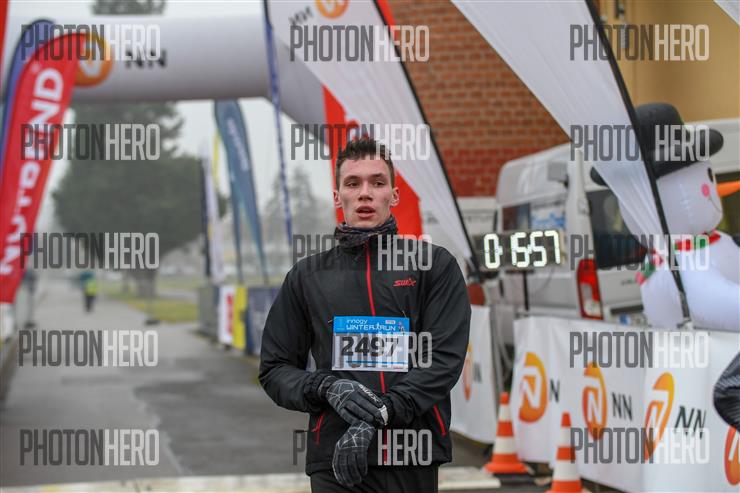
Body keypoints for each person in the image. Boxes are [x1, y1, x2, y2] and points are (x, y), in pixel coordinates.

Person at [259, 138, 471, 492]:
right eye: (353, 183)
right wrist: (327, 387)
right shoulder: (307, 276)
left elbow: (443, 360)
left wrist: (383, 412)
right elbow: (275, 369)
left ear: (394, 195)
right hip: (336, 457)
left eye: (377, 182)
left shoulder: (434, 266)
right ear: (337, 196)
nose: (365, 194)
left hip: (410, 453)